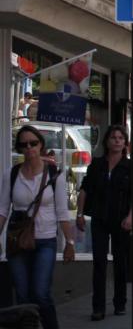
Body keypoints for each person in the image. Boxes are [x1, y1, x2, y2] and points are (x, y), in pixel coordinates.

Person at [0, 125, 75, 328]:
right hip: (18, 240)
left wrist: (69, 242)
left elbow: (62, 212)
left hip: (45, 239)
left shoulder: (54, 175)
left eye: (33, 143)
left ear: (41, 144)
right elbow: (3, 210)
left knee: (40, 293)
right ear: (20, 148)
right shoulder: (12, 174)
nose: (29, 148)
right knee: (22, 294)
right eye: (24, 144)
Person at [77, 124, 132, 320]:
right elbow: (85, 189)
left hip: (121, 220)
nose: (117, 141)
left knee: (120, 262)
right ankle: (98, 306)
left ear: (125, 143)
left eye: (120, 138)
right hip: (100, 218)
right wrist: (79, 214)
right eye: (113, 137)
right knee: (99, 261)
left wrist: (131, 216)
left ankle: (120, 303)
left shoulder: (129, 166)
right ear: (107, 141)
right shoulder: (97, 164)